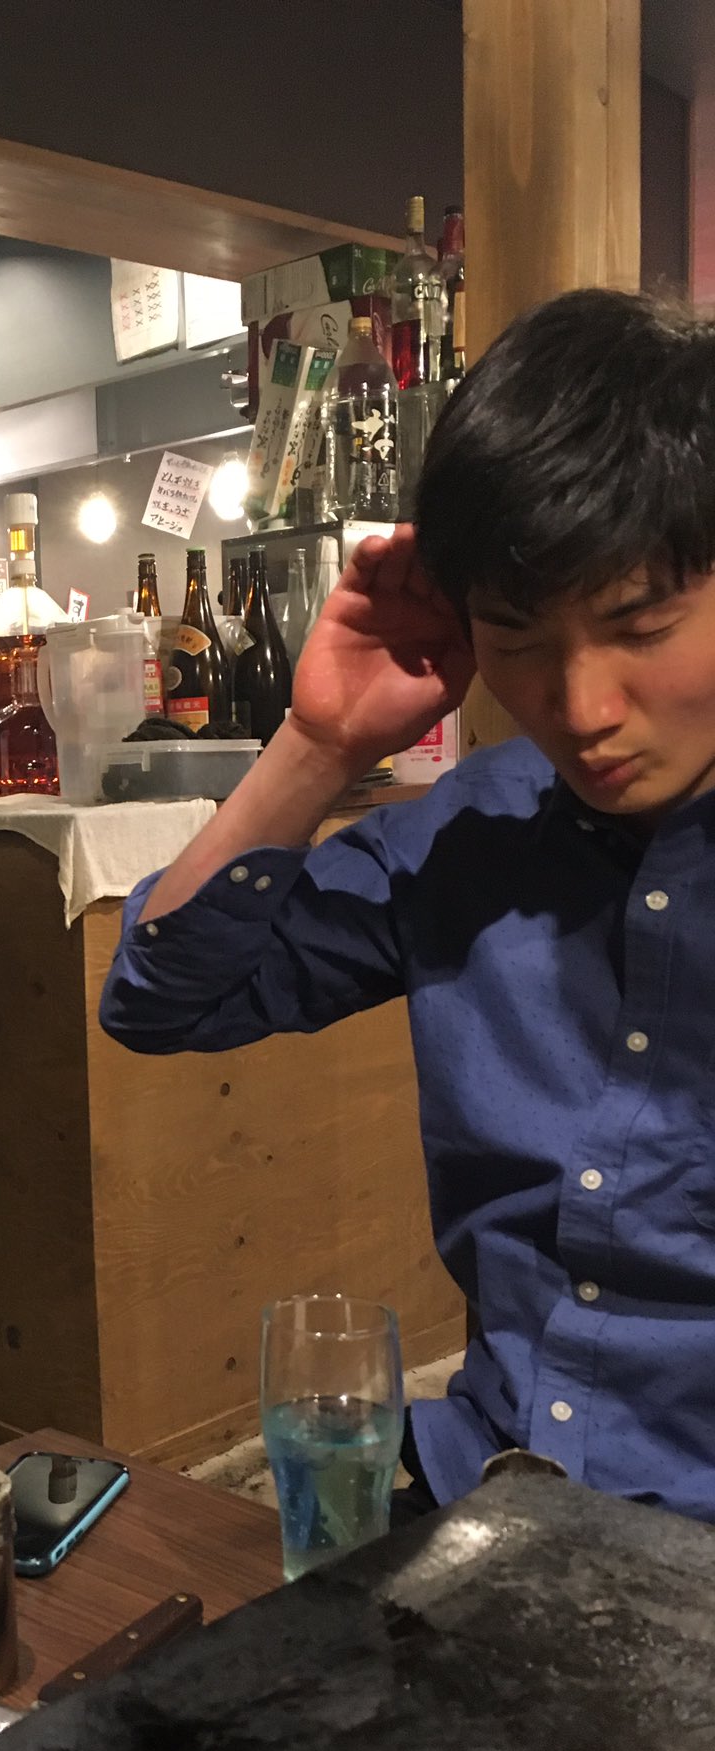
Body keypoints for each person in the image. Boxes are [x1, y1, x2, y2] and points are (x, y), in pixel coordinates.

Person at [102, 289, 715, 1524]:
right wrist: (321, 741)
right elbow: (164, 998)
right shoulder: (471, 832)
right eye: (518, 637)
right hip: (481, 1502)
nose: (582, 706)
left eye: (640, 624)